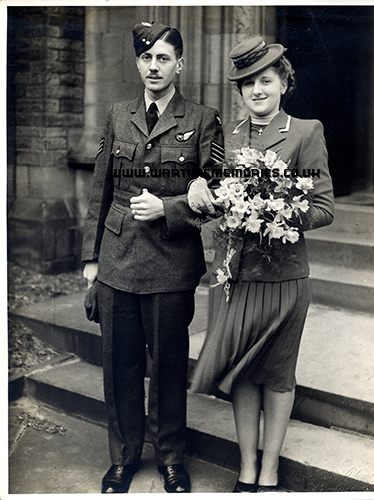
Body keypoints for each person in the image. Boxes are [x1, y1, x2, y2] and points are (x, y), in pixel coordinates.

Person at [81, 21, 223, 494]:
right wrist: (90, 260)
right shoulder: (118, 114)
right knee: (119, 365)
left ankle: (170, 459)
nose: (154, 67)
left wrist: (169, 208)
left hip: (171, 260)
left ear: (179, 64)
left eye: (164, 58)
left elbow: (219, 193)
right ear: (138, 63)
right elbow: (99, 187)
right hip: (118, 258)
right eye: (146, 58)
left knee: (166, 365)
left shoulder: (203, 119)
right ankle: (122, 458)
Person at [188, 36, 334, 492]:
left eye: (265, 80)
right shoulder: (225, 137)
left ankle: (269, 469)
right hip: (233, 278)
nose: (256, 90)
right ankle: (246, 466)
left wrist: (279, 212)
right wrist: (202, 196)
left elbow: (324, 207)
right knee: (242, 372)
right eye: (248, 83)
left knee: (276, 371)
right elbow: (215, 201)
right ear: (240, 91)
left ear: (283, 83)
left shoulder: (306, 132)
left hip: (283, 276)